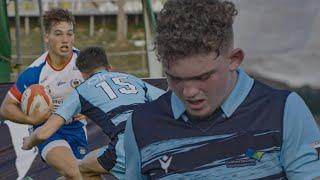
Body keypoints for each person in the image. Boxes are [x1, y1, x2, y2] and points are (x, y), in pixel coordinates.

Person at [124, 0, 320, 179]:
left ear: (234, 60)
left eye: (203, 77)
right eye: (176, 78)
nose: (189, 92)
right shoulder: (142, 124)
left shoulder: (284, 110)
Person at [22, 46, 165, 180]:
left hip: (127, 146)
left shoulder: (81, 90)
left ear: (82, 74)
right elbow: (171, 101)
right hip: (162, 142)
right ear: (109, 68)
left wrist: (29, 142)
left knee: (82, 168)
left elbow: (43, 133)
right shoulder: (133, 79)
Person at [0, 8, 87, 179]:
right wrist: (31, 120)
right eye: (58, 34)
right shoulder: (34, 73)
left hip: (76, 128)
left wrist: (89, 109)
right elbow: (5, 108)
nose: (65, 40)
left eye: (69, 34)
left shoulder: (85, 63)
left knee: (88, 176)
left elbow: (105, 88)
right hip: (46, 129)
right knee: (74, 171)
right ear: (46, 37)